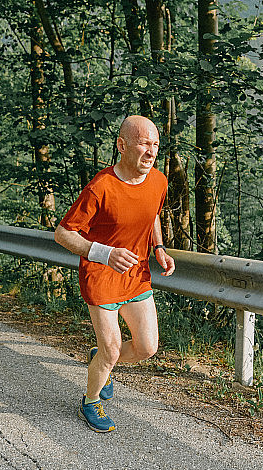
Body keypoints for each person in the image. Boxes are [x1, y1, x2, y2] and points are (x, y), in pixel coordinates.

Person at [54, 115, 175, 432]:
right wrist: (105, 253)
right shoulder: (101, 187)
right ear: (122, 145)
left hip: (136, 275)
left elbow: (152, 214)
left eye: (155, 144)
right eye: (144, 143)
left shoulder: (159, 181)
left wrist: (159, 247)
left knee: (147, 348)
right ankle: (91, 401)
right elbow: (63, 234)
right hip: (101, 276)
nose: (151, 151)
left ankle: (102, 358)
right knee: (112, 349)